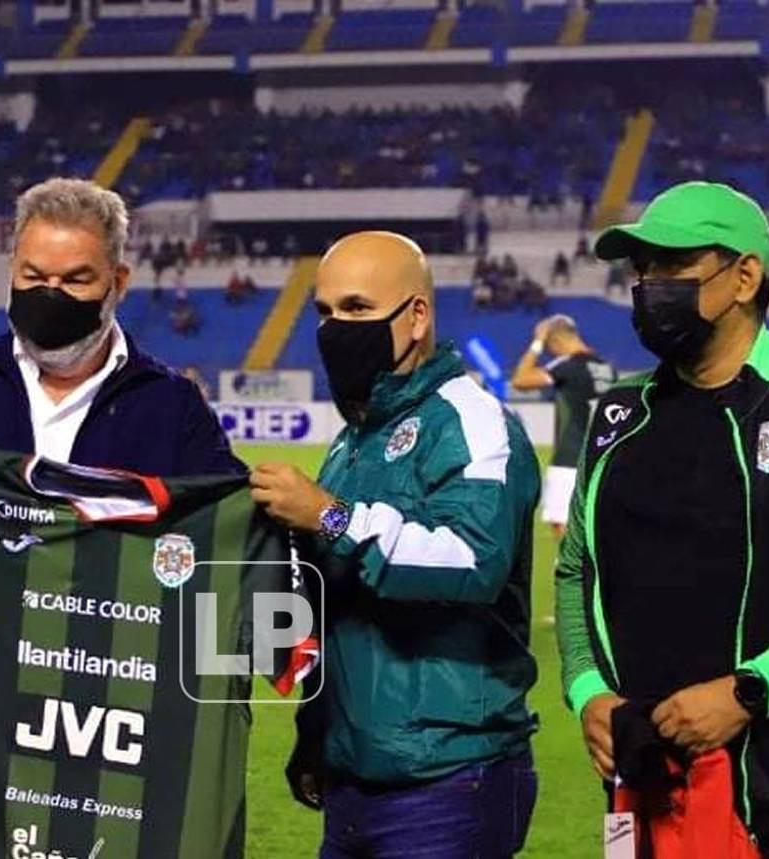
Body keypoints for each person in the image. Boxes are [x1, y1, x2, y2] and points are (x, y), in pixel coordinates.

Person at [254, 231, 540, 858]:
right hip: (355, 779)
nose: (335, 328)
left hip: (449, 779)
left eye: (356, 309)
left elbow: (472, 561)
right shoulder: (351, 441)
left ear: (416, 317)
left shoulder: (472, 420)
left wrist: (331, 517)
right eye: (324, 312)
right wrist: (316, 734)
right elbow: (335, 609)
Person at [557, 181, 769, 857]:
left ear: (744, 275)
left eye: (673, 266)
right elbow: (575, 568)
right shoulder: (618, 414)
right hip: (640, 777)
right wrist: (589, 691)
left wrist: (753, 689)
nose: (649, 285)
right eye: (641, 269)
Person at [0, 176, 242, 490]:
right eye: (32, 277)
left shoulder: (174, 407)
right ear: (12, 270)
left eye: (75, 280)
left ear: (119, 282)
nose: (51, 294)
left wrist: (301, 523)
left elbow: (228, 533)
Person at [510, 314, 617, 537]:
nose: (550, 352)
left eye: (549, 346)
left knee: (565, 532)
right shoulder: (607, 368)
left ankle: (576, 572)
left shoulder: (567, 365)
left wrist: (537, 342)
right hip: (602, 459)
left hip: (569, 459)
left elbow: (520, 380)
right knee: (594, 529)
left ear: (555, 340)